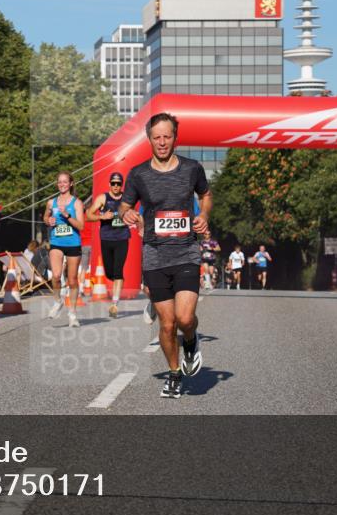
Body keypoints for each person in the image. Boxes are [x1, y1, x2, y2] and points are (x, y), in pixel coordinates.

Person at [120, 113, 211, 399]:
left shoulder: (192, 169)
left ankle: (192, 341)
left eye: (167, 136)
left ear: (175, 138)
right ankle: (173, 372)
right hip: (155, 255)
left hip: (186, 252)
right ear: (149, 138)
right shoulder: (138, 174)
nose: (162, 142)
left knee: (185, 319)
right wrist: (128, 213)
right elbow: (124, 205)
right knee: (167, 323)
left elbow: (205, 195)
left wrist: (204, 215)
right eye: (156, 137)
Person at [86, 171, 131, 318]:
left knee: (118, 271)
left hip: (122, 238)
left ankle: (114, 304)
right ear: (110, 184)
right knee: (109, 273)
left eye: (119, 183)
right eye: (113, 183)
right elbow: (88, 214)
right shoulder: (103, 198)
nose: (116, 186)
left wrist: (135, 219)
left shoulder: (127, 198)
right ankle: (116, 284)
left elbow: (134, 213)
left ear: (121, 184)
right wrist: (102, 216)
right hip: (106, 238)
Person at [43, 172, 85, 327]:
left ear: (71, 184)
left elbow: (81, 226)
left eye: (65, 182)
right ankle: (58, 301)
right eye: (59, 182)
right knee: (56, 275)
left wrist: (67, 216)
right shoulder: (51, 202)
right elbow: (45, 218)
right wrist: (49, 220)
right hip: (56, 242)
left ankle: (72, 313)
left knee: (72, 280)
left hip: (73, 243)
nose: (62, 184)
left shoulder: (77, 203)